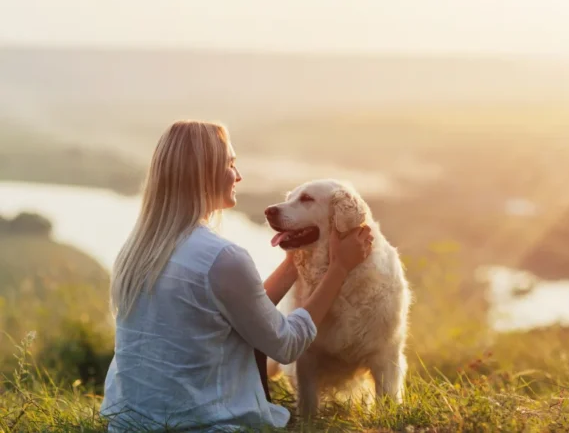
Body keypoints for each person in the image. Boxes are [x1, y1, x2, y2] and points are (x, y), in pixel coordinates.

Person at [100, 120, 373, 432]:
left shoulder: (136, 250)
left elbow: (245, 314)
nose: (238, 176)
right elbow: (285, 345)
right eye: (230, 164)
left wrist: (292, 261)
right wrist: (339, 268)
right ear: (204, 172)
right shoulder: (222, 257)